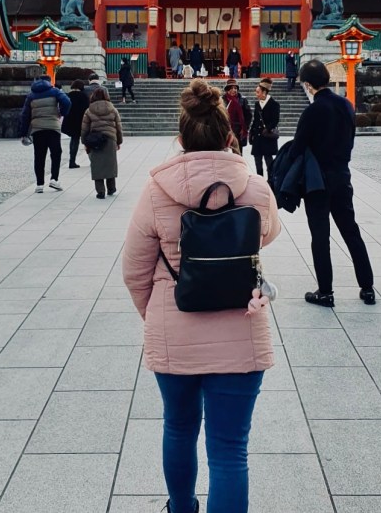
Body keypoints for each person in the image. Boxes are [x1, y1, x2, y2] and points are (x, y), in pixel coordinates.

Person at [122, 79, 280, 513]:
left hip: (174, 330)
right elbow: (267, 236)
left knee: (178, 427)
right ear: (229, 135)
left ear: (181, 138)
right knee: (230, 449)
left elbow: (135, 269)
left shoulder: (156, 191)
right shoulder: (256, 188)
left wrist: (157, 312)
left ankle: (180, 508)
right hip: (241, 330)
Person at [288, 59, 375, 307]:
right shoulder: (346, 105)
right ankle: (367, 287)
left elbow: (298, 148)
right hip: (341, 175)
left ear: (307, 84)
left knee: (321, 236)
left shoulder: (313, 110)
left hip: (318, 182)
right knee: (351, 231)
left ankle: (325, 291)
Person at [19, 74, 71, 193]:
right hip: (53, 127)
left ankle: (39, 184)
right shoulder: (55, 91)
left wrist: (23, 133)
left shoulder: (31, 96)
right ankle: (54, 179)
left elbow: (25, 115)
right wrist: (62, 112)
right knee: (56, 153)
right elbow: (67, 102)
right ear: (49, 81)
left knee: (39, 156)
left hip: (37, 129)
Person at [81, 86, 123, 198]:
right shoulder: (113, 109)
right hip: (110, 138)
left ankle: (100, 191)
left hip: (95, 140)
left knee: (97, 165)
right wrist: (119, 141)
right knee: (110, 164)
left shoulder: (89, 110)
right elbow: (118, 127)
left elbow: (84, 128)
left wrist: (84, 142)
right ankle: (111, 188)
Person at [249, 79, 280, 180]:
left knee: (269, 161)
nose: (256, 94)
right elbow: (255, 120)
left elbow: (275, 120)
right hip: (258, 138)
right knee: (257, 161)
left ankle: (271, 182)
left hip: (268, 136)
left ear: (264, 92)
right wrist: (251, 133)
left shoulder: (274, 104)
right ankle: (259, 181)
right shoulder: (257, 104)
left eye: (258, 92)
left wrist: (268, 128)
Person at [61, 78, 89, 169]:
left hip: (70, 121)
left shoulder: (68, 96)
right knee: (87, 141)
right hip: (82, 121)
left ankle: (72, 161)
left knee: (74, 140)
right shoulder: (84, 96)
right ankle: (93, 160)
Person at [223, 81, 246, 152]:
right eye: (231, 88)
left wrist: (244, 127)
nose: (234, 90)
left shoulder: (242, 100)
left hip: (238, 130)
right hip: (226, 129)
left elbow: (248, 115)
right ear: (227, 90)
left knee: (238, 151)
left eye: (235, 88)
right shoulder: (222, 100)